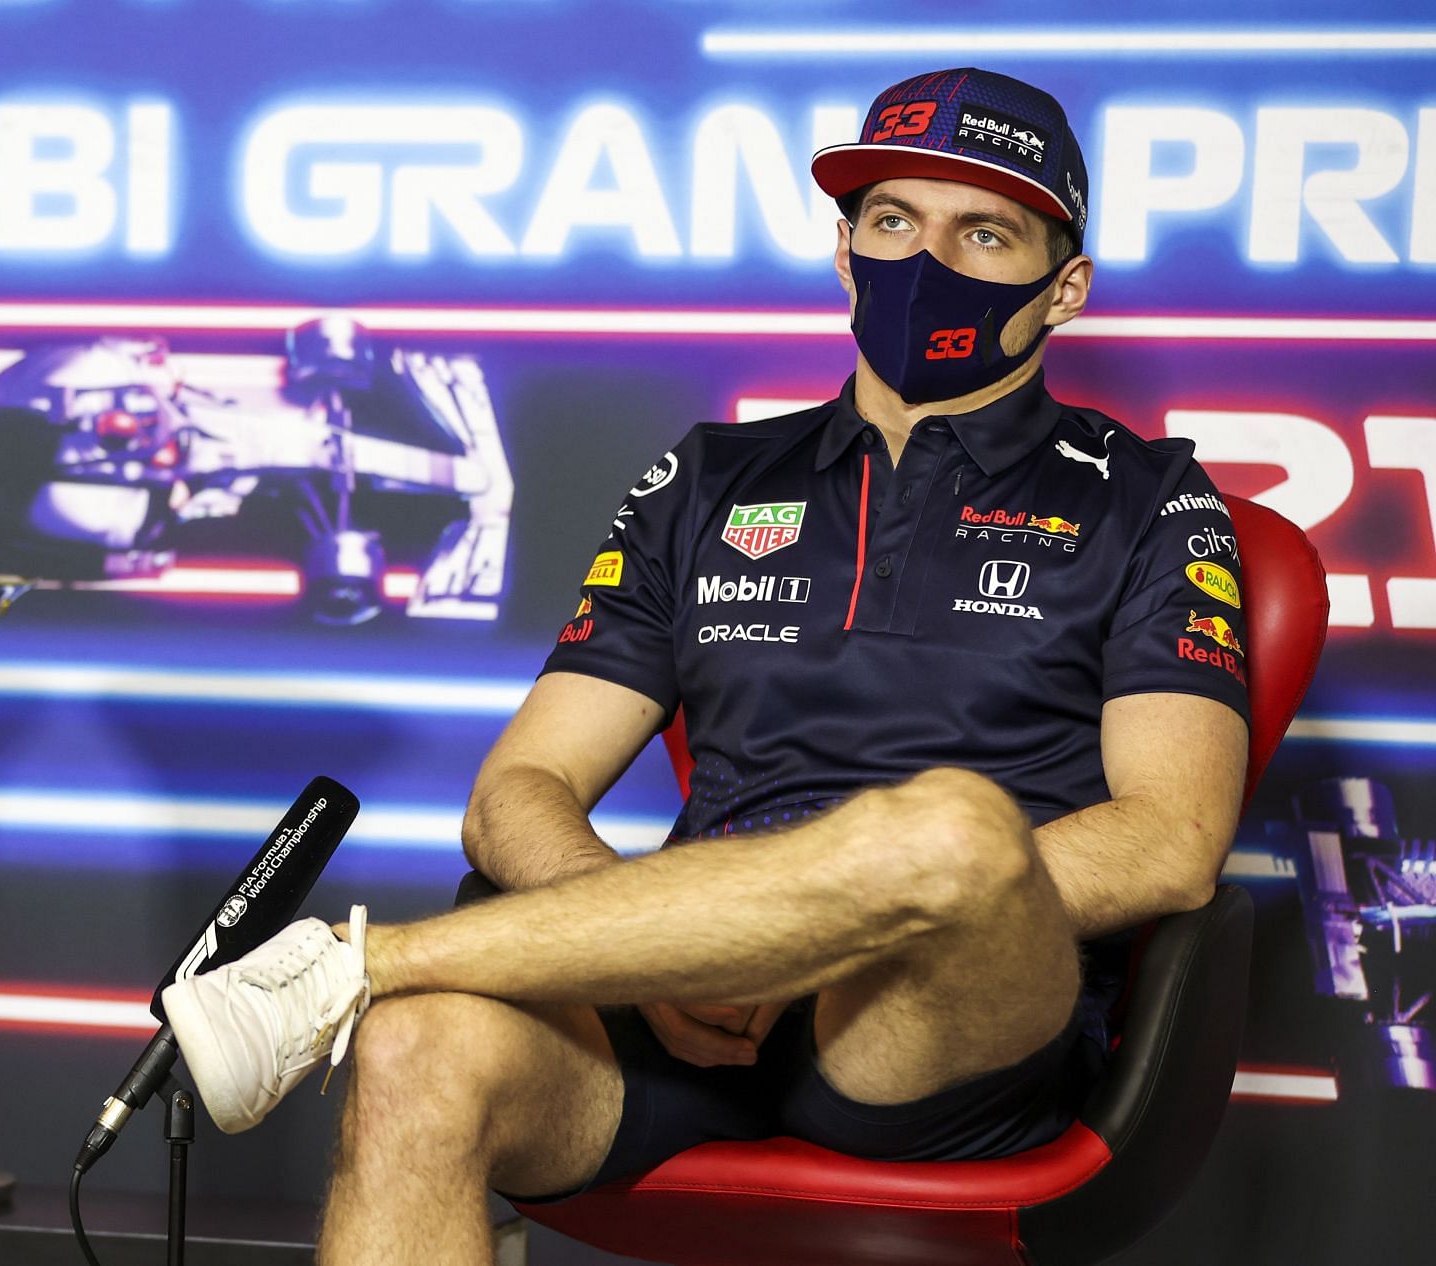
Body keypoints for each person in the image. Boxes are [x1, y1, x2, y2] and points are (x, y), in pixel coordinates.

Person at [161, 68, 1252, 1265]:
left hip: (933, 1022)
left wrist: (803, 938)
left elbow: (1170, 841)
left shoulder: (1152, 498)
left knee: (951, 832)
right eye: (892, 221)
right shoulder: (711, 478)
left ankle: (346, 968)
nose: (923, 258)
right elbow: (517, 792)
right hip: (684, 1008)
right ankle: (383, 997)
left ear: (1065, 288)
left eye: (982, 232)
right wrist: (651, 961)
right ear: (845, 253)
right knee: (415, 1054)